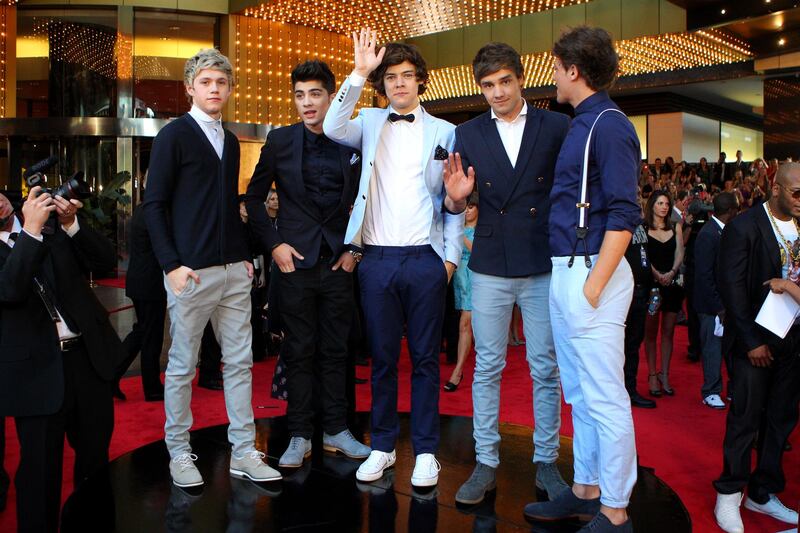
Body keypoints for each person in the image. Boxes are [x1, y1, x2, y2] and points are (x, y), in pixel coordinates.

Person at [323, 29, 471, 487]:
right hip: (378, 260)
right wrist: (359, 70)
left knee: (426, 359)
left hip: (426, 259)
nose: (400, 84)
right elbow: (331, 126)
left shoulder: (446, 131)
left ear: (421, 82)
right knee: (384, 360)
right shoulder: (365, 121)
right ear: (382, 84)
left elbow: (452, 199)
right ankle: (384, 446)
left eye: (408, 76)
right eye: (391, 77)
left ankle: (426, 451)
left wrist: (448, 261)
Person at [143, 48, 280, 487]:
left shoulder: (234, 140)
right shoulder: (173, 137)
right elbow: (154, 205)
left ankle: (243, 451)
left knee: (239, 365)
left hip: (232, 273)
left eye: (221, 82)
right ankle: (179, 452)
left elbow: (225, 207)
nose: (215, 88)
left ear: (229, 88)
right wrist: (172, 266)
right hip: (191, 275)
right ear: (190, 88)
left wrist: (243, 256)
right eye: (206, 82)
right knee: (182, 366)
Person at [523, 26, 640, 532]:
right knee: (580, 391)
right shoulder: (585, 122)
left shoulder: (610, 125)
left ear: (574, 70)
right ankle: (588, 490)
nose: (552, 75)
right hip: (569, 268)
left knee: (605, 396)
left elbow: (625, 212)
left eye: (555, 67)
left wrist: (593, 285)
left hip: (592, 270)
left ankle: (615, 511)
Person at [447, 41, 569, 506]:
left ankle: (546, 462)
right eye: (488, 85)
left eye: (504, 82)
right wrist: (457, 199)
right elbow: (455, 201)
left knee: (545, 368)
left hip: (542, 261)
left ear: (521, 79)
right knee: (488, 367)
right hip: (492, 263)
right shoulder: (469, 133)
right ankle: (485, 461)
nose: (497, 92)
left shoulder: (556, 125)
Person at [244, 59, 370, 468]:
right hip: (292, 265)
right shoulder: (279, 142)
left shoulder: (353, 140)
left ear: (332, 96)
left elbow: (371, 198)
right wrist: (275, 245)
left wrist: (355, 250)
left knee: (336, 350)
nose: (307, 103)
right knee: (298, 351)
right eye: (299, 95)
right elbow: (252, 199)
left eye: (315, 94)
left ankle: (336, 429)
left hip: (338, 263)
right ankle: (299, 434)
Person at [0, 188, 120, 532]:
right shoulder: (35, 231)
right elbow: (10, 288)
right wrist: (31, 232)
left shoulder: (52, 230)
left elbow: (103, 260)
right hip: (33, 372)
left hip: (87, 362)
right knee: (39, 473)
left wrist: (70, 223)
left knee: (95, 464)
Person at [713, 163, 800, 533]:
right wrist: (751, 342)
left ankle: (762, 493)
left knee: (780, 420)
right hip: (754, 342)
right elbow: (730, 287)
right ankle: (730, 494)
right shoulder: (744, 226)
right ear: (776, 189)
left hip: (793, 341)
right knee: (745, 419)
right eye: (797, 192)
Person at [119, 175, 166, 402]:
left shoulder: (141, 208)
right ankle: (153, 388)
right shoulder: (154, 211)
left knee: (142, 332)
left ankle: (110, 373)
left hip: (141, 280)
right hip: (150, 283)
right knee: (151, 337)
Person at [693, 192, 738, 410]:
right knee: (712, 348)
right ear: (731, 210)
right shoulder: (708, 234)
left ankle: (731, 389)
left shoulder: (721, 231)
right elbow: (703, 275)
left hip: (724, 303)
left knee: (728, 347)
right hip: (711, 306)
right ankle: (710, 391)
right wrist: (718, 306)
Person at [643, 191, 684, 397]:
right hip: (651, 284)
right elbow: (643, 255)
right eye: (660, 203)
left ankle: (664, 374)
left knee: (669, 332)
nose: (664, 207)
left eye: (667, 203)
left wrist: (672, 272)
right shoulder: (642, 228)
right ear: (652, 205)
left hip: (673, 283)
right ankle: (652, 375)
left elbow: (680, 251)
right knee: (650, 333)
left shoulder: (675, 226)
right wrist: (657, 275)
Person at [444, 192, 478, 392]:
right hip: (457, 279)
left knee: (465, 323)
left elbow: (477, 251)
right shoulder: (455, 228)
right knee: (462, 324)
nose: (467, 211)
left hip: (476, 278)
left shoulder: (481, 230)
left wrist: (459, 236)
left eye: (471, 207)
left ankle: (458, 371)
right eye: (465, 207)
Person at [622, 218, 656, 409]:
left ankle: (630, 389)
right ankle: (622, 391)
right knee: (622, 346)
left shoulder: (641, 224)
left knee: (634, 344)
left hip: (642, 291)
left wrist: (652, 287)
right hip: (625, 292)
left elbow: (645, 255)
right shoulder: (617, 222)